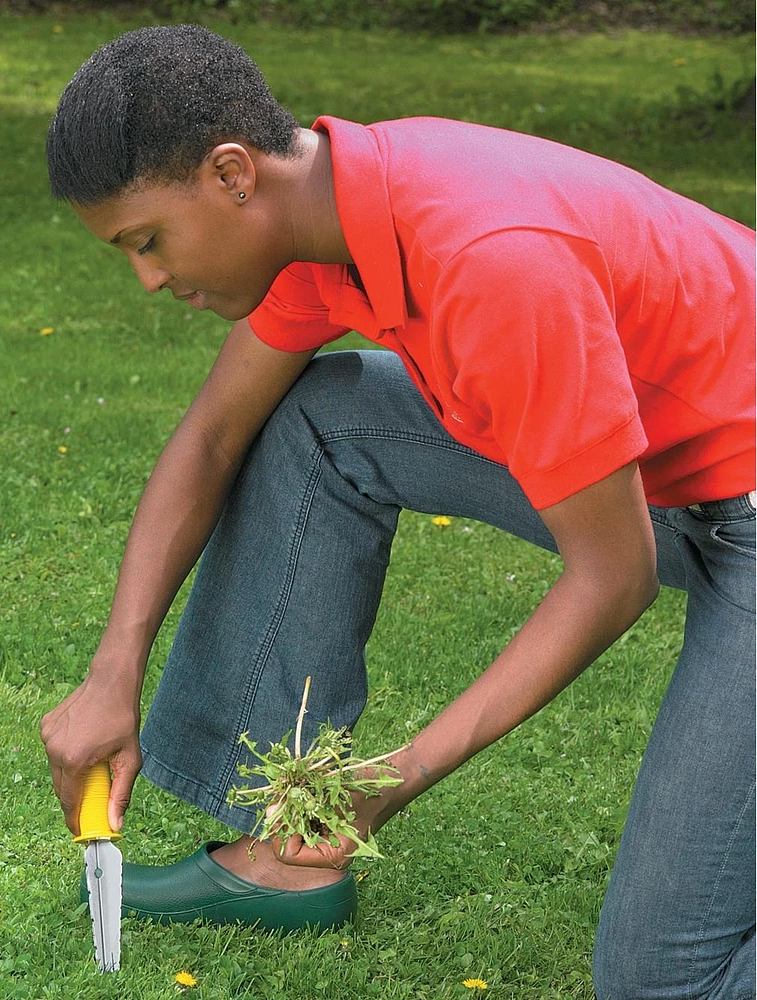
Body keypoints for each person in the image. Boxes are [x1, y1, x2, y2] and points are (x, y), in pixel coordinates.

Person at [39, 23, 755, 998]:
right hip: (684, 476)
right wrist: (110, 672)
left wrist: (394, 776)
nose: (151, 279)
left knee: (668, 979)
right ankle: (288, 853)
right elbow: (211, 437)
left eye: (148, 241)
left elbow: (611, 575)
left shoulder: (491, 259)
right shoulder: (331, 219)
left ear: (233, 174)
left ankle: (326, 817)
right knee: (319, 421)